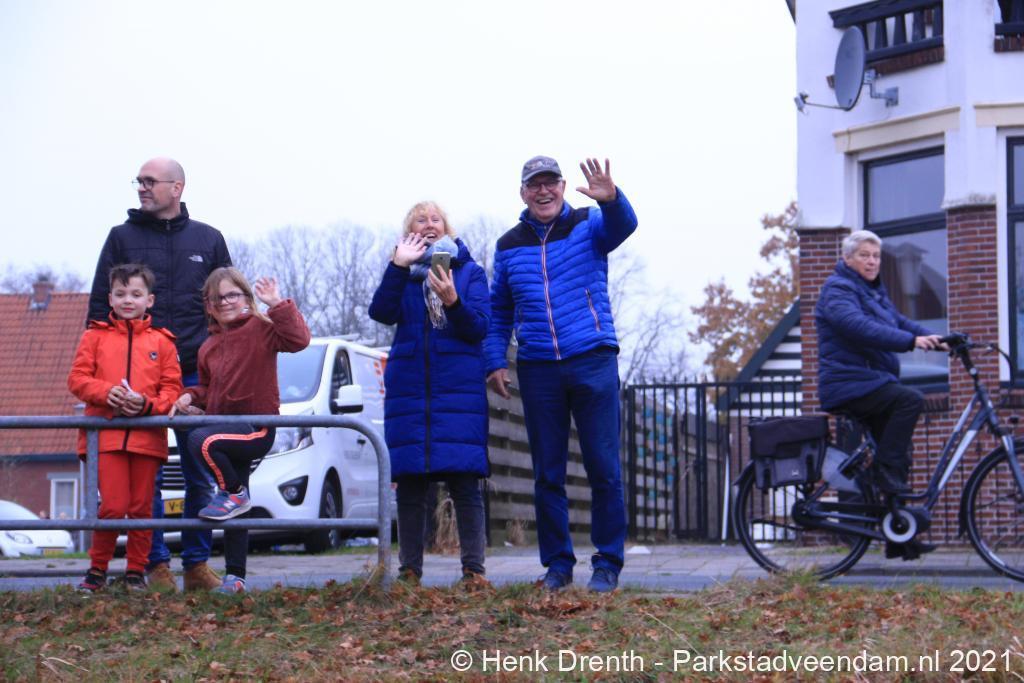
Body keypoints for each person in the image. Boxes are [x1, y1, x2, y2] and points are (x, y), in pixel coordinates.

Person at [484, 156, 638, 593]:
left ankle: (607, 563)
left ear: (563, 187)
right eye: (535, 185)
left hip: (593, 357)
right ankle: (557, 565)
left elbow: (624, 227)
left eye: (550, 182)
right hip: (538, 368)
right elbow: (499, 311)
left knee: (603, 467)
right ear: (523, 193)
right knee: (547, 473)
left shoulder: (590, 224)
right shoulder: (508, 245)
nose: (543, 191)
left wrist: (613, 199)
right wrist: (495, 360)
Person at [87, 157, 232, 592]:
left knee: (201, 470)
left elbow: (228, 304)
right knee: (144, 476)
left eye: (150, 181)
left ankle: (197, 565)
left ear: (177, 187)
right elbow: (99, 309)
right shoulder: (121, 237)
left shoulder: (208, 239)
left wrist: (222, 359)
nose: (142, 188)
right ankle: (155, 566)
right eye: (140, 181)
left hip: (195, 375)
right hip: (135, 382)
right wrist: (104, 377)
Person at [368, 201, 491, 587]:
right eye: (420, 220)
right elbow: (381, 313)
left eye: (435, 219)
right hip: (409, 394)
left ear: (446, 227)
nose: (429, 224)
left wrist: (453, 302)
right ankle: (409, 572)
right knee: (410, 485)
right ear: (410, 233)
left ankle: (474, 571)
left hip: (458, 393)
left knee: (465, 484)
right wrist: (397, 266)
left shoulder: (469, 272)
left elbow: (479, 328)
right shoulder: (402, 274)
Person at [170, 268, 311, 593]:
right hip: (224, 428)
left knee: (200, 442)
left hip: (255, 428)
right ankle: (236, 578)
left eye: (232, 295)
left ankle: (234, 492)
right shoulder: (208, 347)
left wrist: (276, 304)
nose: (225, 302)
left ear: (246, 297)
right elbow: (209, 389)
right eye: (216, 298)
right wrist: (190, 397)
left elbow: (299, 340)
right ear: (208, 306)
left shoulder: (262, 328)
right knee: (235, 508)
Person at [815, 229, 944, 560]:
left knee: (898, 456)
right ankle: (879, 472)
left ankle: (899, 538)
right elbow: (858, 327)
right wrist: (910, 343)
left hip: (869, 381)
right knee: (909, 400)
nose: (872, 262)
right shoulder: (838, 289)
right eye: (865, 255)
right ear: (847, 259)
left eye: (876, 256)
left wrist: (938, 338)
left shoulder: (872, 292)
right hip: (849, 383)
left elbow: (900, 322)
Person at [68, 264, 183, 592]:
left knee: (141, 509)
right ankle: (97, 570)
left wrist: (146, 405)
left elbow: (172, 390)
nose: (128, 300)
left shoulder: (162, 342)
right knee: (113, 506)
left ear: (150, 300)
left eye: (135, 294)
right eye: (120, 294)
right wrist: (107, 393)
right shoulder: (94, 336)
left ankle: (135, 572)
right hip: (106, 437)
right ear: (110, 299)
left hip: (147, 438)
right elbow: (77, 379)